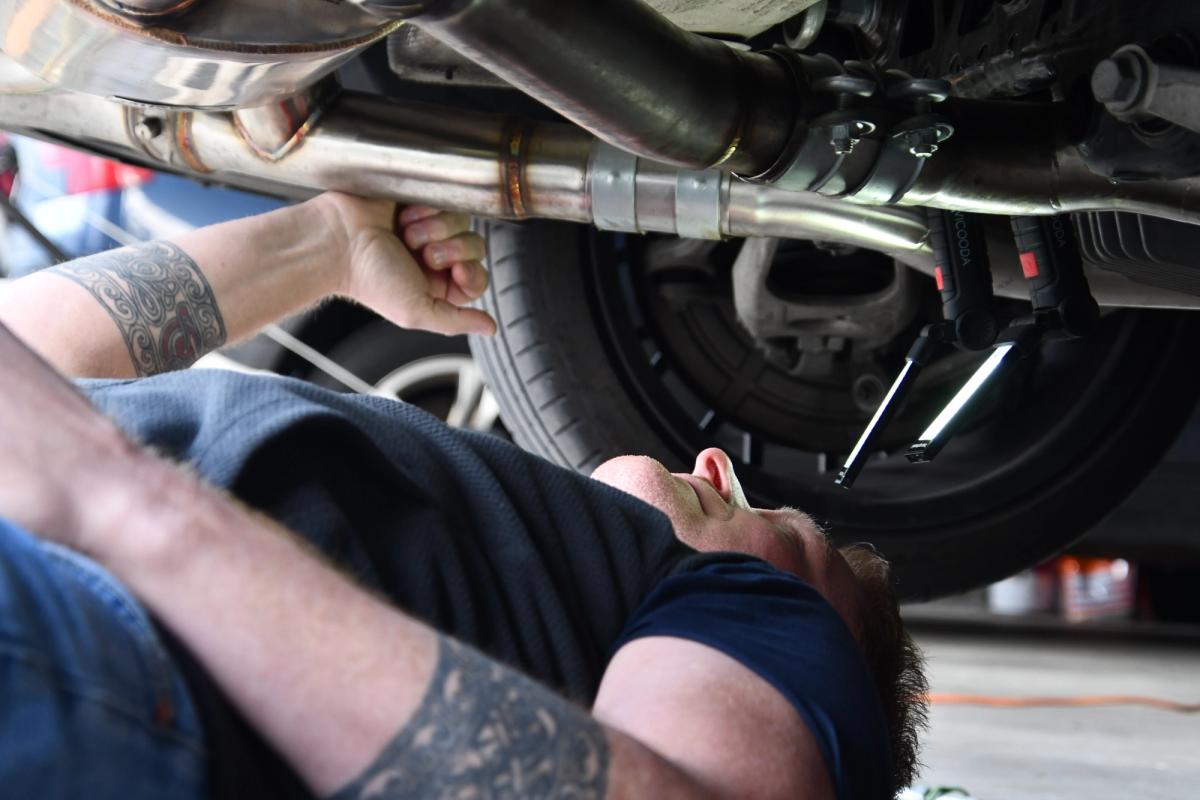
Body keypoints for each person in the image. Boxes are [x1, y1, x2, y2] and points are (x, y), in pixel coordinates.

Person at [0, 192, 927, 799]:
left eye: (790, 537)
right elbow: (39, 371)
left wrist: (131, 507)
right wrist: (328, 242)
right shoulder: (548, 574)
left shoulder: (777, 633)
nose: (718, 465)